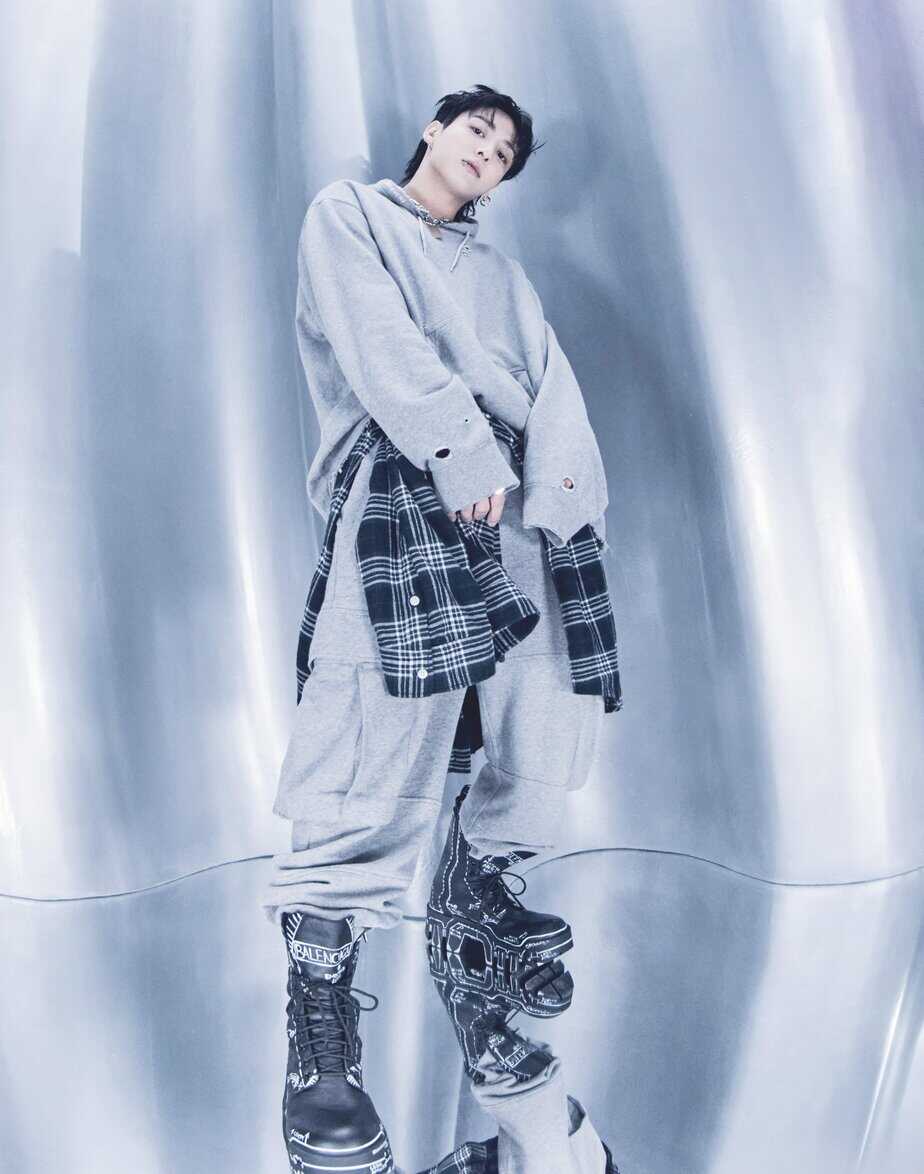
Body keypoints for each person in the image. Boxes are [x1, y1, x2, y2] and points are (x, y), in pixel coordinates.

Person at [263, 85, 622, 1174]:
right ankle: (321, 1014)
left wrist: (569, 505)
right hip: (407, 480)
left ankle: (481, 894)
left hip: (520, 503)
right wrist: (460, 452)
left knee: (548, 709)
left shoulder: (504, 277)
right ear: (434, 129)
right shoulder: (349, 216)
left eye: (506, 150)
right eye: (477, 130)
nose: (488, 151)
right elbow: (377, 342)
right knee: (372, 728)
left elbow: (554, 386)